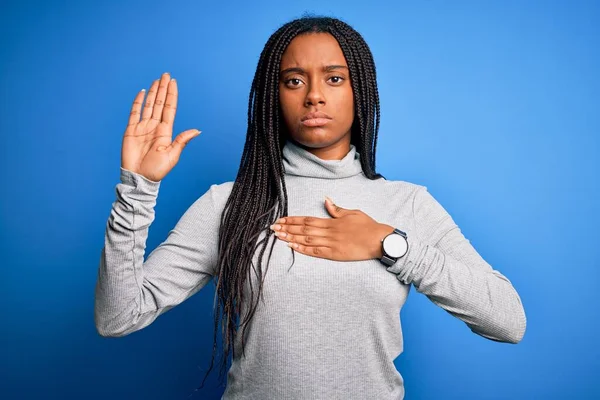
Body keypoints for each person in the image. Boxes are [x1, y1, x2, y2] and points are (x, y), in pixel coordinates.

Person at [94, 15, 527, 400]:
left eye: (334, 79)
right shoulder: (230, 203)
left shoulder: (407, 203)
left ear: (361, 92)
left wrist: (391, 246)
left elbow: (508, 321)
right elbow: (118, 317)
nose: (314, 96)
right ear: (273, 97)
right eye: (294, 80)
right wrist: (139, 188)